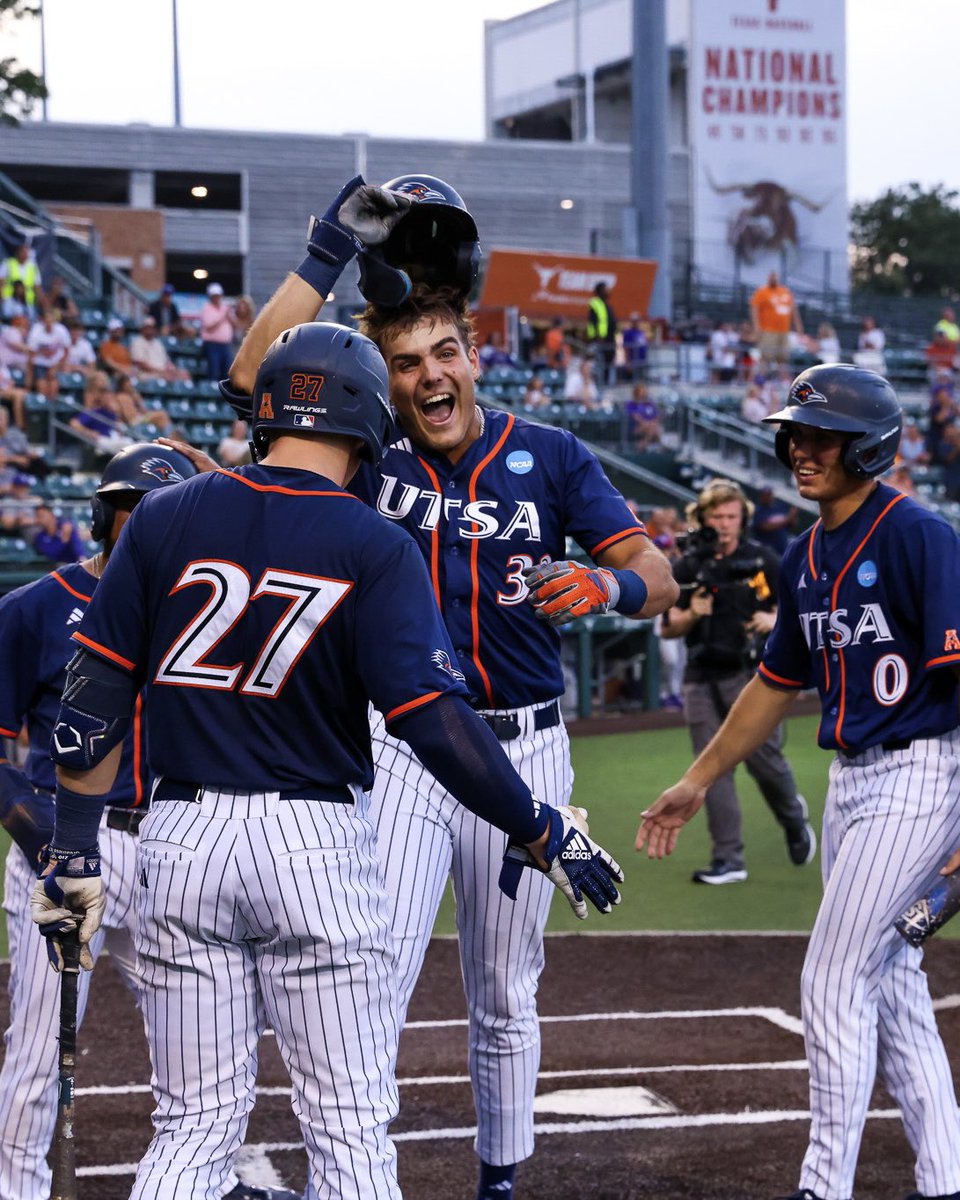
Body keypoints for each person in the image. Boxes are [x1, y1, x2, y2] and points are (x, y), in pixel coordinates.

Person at [31, 319, 624, 1200]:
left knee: (191, 1127)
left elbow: (89, 705)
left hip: (179, 834)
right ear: (368, 419)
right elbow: (433, 721)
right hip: (311, 840)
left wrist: (75, 852)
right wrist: (538, 824)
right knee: (347, 1128)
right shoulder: (373, 540)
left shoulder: (162, 516)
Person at [215, 172, 677, 1200]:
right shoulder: (363, 454)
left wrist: (606, 581)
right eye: (404, 361)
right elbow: (251, 382)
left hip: (528, 745)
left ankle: (498, 1183)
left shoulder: (551, 455)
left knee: (505, 989)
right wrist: (329, 251)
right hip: (402, 751)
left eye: (444, 353)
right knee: (372, 973)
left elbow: (657, 573)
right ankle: (351, 1178)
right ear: (382, 382)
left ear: (474, 353)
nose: (430, 375)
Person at [638, 363, 960, 1200]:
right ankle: (946, 1179)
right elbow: (773, 686)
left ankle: (822, 1187)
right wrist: (697, 779)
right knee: (892, 986)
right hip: (853, 783)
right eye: (796, 436)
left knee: (832, 977)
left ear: (870, 447)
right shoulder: (802, 555)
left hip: (923, 776)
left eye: (822, 437)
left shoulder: (919, 537)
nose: (801, 450)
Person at [0, 444, 201, 1200]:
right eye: (131, 509)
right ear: (101, 516)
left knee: (200, 1053)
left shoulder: (208, 612)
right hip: (66, 846)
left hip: (174, 846)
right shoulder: (34, 608)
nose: (147, 524)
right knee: (37, 1059)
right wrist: (37, 834)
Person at [660, 477, 814, 883]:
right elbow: (668, 628)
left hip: (750, 676)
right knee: (710, 768)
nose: (724, 524)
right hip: (699, 674)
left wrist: (773, 618)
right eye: (717, 516)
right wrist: (692, 614)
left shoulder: (763, 559)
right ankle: (728, 859)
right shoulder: (688, 565)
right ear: (703, 518)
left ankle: (793, 818)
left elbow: (800, 610)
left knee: (766, 763)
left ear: (742, 519)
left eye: (731, 516)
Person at [750, 270, 803, 372]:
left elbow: (793, 310)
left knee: (783, 358)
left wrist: (798, 326)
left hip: (784, 331)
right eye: (771, 277)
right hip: (768, 330)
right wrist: (757, 327)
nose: (773, 279)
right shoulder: (761, 292)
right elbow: (754, 309)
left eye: (775, 277)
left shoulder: (785, 292)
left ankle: (783, 380)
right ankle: (760, 379)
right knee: (766, 357)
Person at [128, 315, 190, 382]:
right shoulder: (137, 342)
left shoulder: (157, 343)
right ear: (142, 329)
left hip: (161, 372)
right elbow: (141, 365)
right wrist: (161, 372)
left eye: (151, 327)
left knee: (184, 375)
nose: (150, 330)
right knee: (167, 377)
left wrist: (174, 370)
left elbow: (166, 361)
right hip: (146, 374)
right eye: (147, 327)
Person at [199, 281, 235, 380]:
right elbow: (209, 327)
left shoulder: (225, 308)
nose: (217, 298)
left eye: (218, 295)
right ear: (210, 296)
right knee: (214, 371)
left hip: (225, 345)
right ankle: (211, 389)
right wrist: (223, 315)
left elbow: (235, 325)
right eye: (214, 296)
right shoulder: (206, 308)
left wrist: (229, 315)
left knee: (227, 371)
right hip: (212, 345)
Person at [751, 483, 798, 555]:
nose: (767, 497)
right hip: (765, 551)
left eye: (769, 495)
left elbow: (792, 525)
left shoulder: (779, 507)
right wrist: (787, 519)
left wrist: (792, 516)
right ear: (761, 496)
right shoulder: (758, 510)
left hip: (782, 549)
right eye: (765, 495)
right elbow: (765, 527)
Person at [586, 280, 617, 385]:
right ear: (599, 291)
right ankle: (599, 385)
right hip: (601, 342)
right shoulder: (595, 304)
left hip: (609, 342)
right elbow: (592, 323)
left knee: (608, 367)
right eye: (605, 289)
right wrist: (595, 337)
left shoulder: (606, 305)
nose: (608, 291)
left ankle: (606, 384)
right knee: (600, 367)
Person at [0, 241, 43, 313]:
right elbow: (1, 282)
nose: (25, 254)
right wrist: (2, 297)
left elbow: (37, 287)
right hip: (9, 299)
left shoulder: (32, 267)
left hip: (27, 302)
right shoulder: (8, 263)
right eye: (23, 252)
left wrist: (39, 301)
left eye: (26, 252)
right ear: (17, 252)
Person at [98, 316, 136, 381]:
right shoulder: (105, 345)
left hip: (127, 372)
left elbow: (130, 363)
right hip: (114, 375)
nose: (118, 332)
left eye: (119, 330)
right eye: (115, 330)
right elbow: (109, 363)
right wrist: (124, 370)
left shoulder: (124, 347)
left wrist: (131, 370)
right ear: (110, 331)